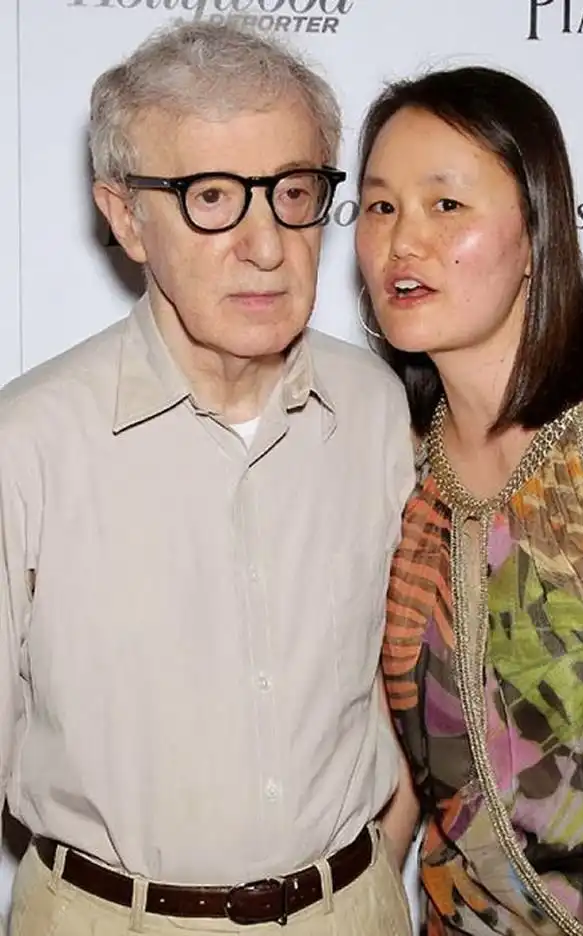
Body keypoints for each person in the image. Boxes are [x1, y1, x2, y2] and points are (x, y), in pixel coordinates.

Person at [0, 21, 419, 936]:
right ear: (124, 216)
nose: (266, 245)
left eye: (294, 193)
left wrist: (370, 881)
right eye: (212, 198)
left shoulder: (377, 409)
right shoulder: (24, 445)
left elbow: (407, 695)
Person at [355, 65, 583, 936]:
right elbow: (408, 775)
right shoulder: (396, 467)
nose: (403, 241)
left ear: (536, 230)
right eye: (379, 206)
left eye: (446, 204)